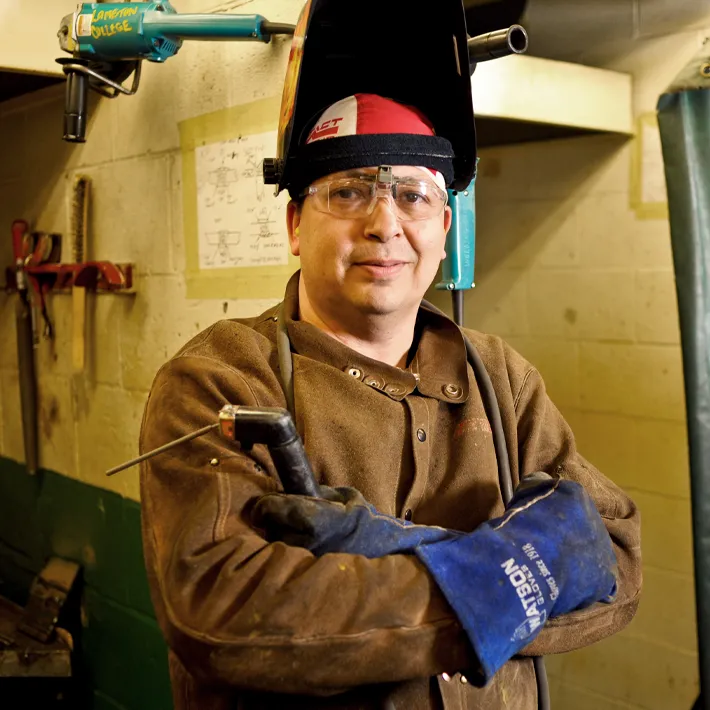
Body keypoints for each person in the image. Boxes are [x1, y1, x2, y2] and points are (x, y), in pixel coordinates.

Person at [139, 93, 641, 710]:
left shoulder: (501, 377)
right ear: (296, 225)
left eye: (413, 195)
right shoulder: (219, 379)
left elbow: (612, 556)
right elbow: (225, 613)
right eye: (348, 192)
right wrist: (514, 577)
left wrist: (394, 565)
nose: (384, 223)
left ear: (443, 227)